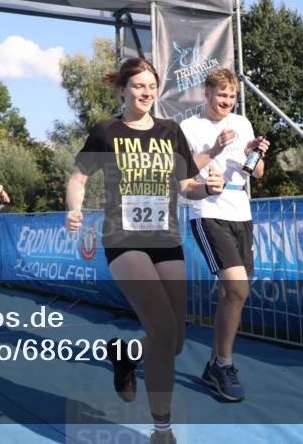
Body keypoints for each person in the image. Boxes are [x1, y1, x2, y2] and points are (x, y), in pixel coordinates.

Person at [65, 57, 224, 444]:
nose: (146, 92)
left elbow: (185, 185)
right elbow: (79, 176)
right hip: (124, 240)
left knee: (174, 342)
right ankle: (162, 430)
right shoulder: (107, 131)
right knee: (164, 327)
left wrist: (208, 188)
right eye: (138, 86)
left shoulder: (170, 132)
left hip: (166, 240)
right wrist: (75, 207)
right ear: (122, 91)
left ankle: (126, 354)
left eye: (152, 86)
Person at [179, 68, 270, 402]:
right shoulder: (189, 128)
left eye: (231, 97)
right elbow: (184, 173)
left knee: (235, 295)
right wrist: (216, 149)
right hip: (209, 212)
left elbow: (256, 173)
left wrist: (255, 151)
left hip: (241, 213)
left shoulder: (243, 122)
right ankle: (225, 364)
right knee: (236, 287)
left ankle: (214, 364)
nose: (227, 102)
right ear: (206, 93)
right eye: (221, 96)